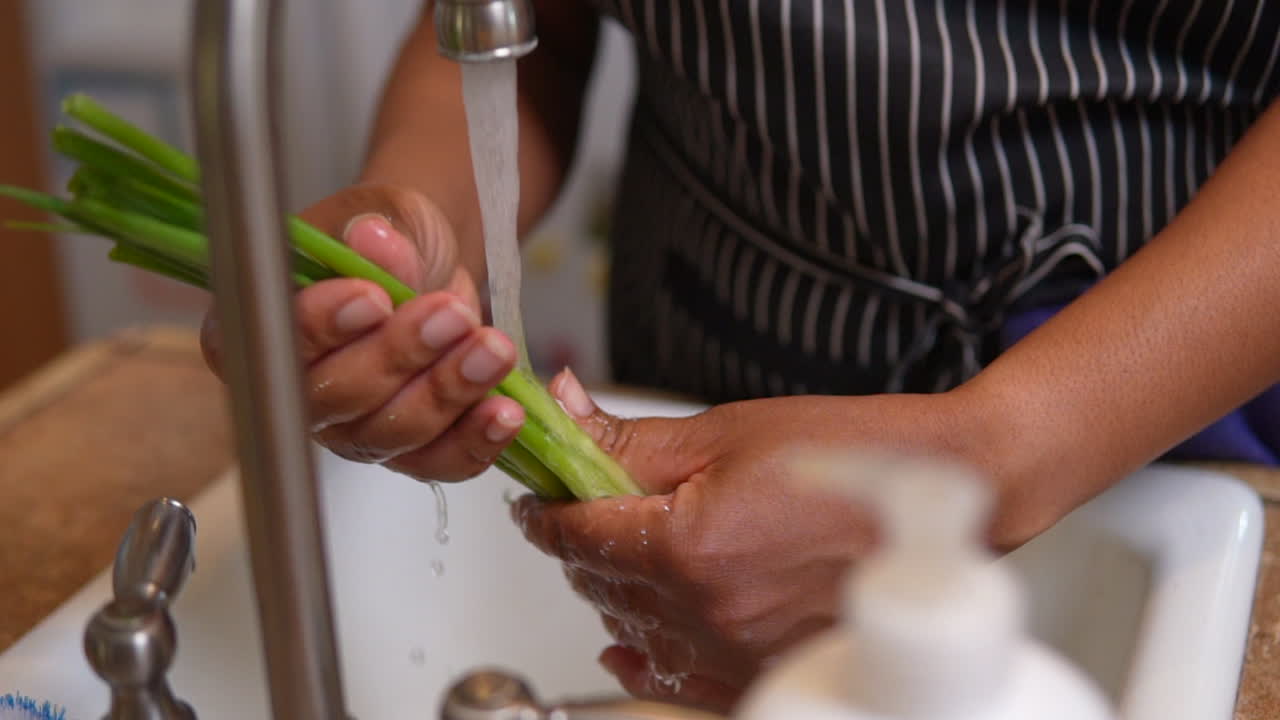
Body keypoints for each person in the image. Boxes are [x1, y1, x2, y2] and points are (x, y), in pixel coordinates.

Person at [201, 0, 1280, 711]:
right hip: (707, 365)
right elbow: (534, 32)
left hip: (1158, 407)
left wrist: (998, 449)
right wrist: (408, 236)